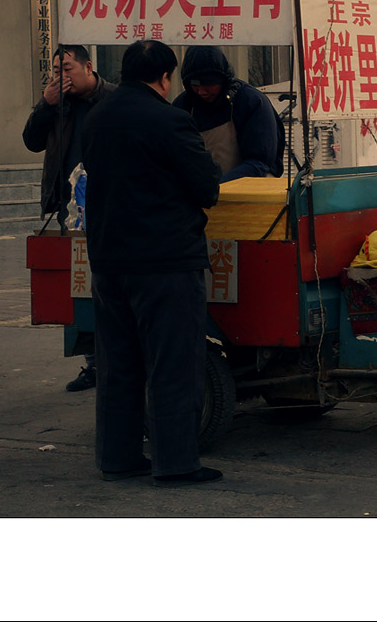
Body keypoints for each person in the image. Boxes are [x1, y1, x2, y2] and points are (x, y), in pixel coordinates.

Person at [82, 40, 223, 487]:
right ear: (164, 79)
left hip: (108, 260)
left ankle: (118, 458)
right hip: (164, 261)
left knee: (118, 363)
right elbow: (207, 188)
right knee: (173, 362)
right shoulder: (171, 120)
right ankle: (177, 462)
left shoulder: (96, 117)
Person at [22, 45, 115, 392]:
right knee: (80, 286)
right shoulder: (56, 104)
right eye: (56, 70)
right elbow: (31, 141)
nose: (62, 77)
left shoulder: (111, 99)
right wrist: (44, 105)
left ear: (89, 67)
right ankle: (92, 362)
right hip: (70, 210)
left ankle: (114, 358)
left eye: (68, 69)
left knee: (106, 285)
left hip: (108, 206)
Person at [172, 46, 285, 182]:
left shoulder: (251, 102)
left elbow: (260, 162)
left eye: (208, 85)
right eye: (196, 86)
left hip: (251, 188)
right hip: (201, 193)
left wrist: (218, 187)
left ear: (223, 80)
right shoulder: (183, 104)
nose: (202, 92)